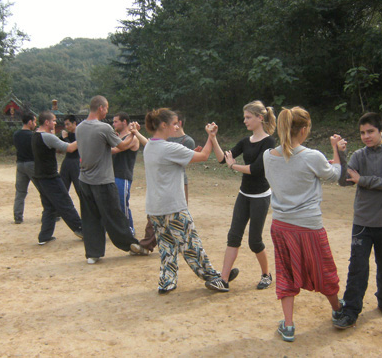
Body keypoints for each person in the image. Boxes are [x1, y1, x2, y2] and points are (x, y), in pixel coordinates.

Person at [262, 106, 347, 342]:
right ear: (305, 129)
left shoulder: (268, 156)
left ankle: (288, 326)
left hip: (281, 225)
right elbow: (336, 174)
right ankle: (338, 310)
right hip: (309, 226)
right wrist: (336, 151)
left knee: (286, 273)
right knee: (323, 269)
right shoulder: (313, 156)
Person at [142, 108, 237, 294]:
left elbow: (169, 163)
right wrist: (210, 136)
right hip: (173, 207)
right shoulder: (169, 147)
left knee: (167, 247)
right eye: (174, 123)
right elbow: (204, 156)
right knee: (191, 245)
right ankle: (213, 277)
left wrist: (186, 154)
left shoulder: (149, 146)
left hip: (155, 208)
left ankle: (166, 281)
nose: (176, 126)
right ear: (163, 125)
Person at [333, 112, 382, 329]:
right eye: (362, 132)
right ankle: (351, 311)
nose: (366, 136)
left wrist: (362, 179)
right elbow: (345, 180)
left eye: (371, 131)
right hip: (363, 221)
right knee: (357, 267)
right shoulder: (359, 155)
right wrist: (341, 154)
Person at [205, 100, 276, 292]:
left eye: (248, 117)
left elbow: (256, 169)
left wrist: (233, 166)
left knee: (254, 240)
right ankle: (224, 279)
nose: (245, 121)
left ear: (260, 118)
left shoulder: (269, 142)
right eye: (244, 117)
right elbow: (222, 158)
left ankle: (266, 274)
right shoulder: (245, 141)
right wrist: (213, 138)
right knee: (233, 235)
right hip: (244, 194)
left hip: (261, 196)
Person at [75, 96, 146, 264]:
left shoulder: (79, 128)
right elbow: (121, 146)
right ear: (101, 108)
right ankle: (131, 244)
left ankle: (93, 253)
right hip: (103, 181)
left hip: (84, 180)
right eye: (106, 108)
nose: (107, 112)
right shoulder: (104, 128)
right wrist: (133, 133)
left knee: (90, 217)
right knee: (114, 215)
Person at [131, 111, 196, 255]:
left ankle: (176, 245)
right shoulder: (163, 142)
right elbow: (151, 145)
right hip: (162, 181)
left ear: (179, 123)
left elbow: (193, 158)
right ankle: (149, 245)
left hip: (177, 183)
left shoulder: (186, 141)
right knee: (159, 217)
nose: (174, 126)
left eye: (175, 123)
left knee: (176, 216)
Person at [31, 111, 83, 245]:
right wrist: (84, 137)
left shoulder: (36, 135)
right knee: (65, 203)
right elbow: (70, 148)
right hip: (50, 177)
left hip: (40, 176)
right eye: (53, 121)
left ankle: (44, 236)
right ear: (47, 122)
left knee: (49, 206)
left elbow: (56, 149)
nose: (55, 123)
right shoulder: (48, 137)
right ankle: (81, 229)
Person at [112, 112, 140, 236]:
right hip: (112, 175)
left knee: (123, 206)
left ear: (124, 122)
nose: (114, 124)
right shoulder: (117, 137)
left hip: (123, 176)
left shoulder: (132, 138)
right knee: (113, 206)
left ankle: (130, 231)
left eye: (116, 121)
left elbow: (116, 150)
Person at [13, 113, 38, 224]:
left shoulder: (16, 134)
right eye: (34, 122)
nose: (35, 124)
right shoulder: (32, 136)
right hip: (31, 164)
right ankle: (49, 213)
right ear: (29, 122)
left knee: (20, 192)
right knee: (43, 188)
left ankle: (18, 216)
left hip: (20, 164)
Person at [59, 115, 81, 200]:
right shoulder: (67, 135)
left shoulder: (80, 135)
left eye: (68, 124)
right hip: (67, 161)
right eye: (65, 125)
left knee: (80, 189)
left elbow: (72, 148)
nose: (66, 127)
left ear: (74, 123)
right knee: (62, 189)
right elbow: (58, 147)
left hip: (76, 162)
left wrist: (66, 138)